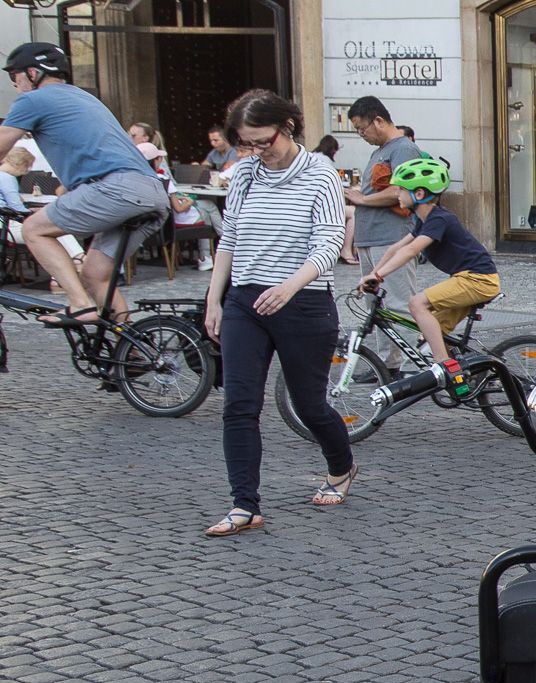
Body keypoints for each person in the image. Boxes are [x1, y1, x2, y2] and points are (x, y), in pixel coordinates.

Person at [201, 89, 353, 537]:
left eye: (262, 141)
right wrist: (214, 298)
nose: (255, 151)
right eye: (246, 143)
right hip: (244, 302)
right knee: (239, 405)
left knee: (309, 405)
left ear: (286, 127)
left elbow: (328, 244)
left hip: (302, 301)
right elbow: (229, 238)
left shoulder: (320, 173)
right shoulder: (245, 171)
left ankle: (342, 467)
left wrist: (288, 287)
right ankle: (244, 504)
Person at [0, 42, 169, 325]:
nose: (15, 84)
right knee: (94, 274)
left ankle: (79, 305)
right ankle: (130, 348)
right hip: (150, 190)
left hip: (114, 189)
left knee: (34, 229)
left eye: (13, 76)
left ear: (32, 73)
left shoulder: (33, 101)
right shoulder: (83, 96)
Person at [360, 157, 501, 366]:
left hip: (479, 280)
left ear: (419, 194)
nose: (396, 194)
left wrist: (379, 275)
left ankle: (443, 365)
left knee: (416, 303)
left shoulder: (439, 219)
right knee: (431, 330)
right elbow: (395, 248)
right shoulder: (423, 220)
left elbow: (411, 250)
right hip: (468, 279)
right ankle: (470, 372)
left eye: (400, 189)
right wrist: (372, 274)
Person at [344, 96, 422, 368]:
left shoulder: (402, 149)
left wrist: (361, 199)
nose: (361, 134)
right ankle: (385, 364)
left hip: (391, 237)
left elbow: (402, 191)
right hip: (371, 238)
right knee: (375, 305)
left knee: (399, 303)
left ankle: (412, 365)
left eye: (361, 128)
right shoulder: (380, 151)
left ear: (378, 120)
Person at [0, 145, 84, 263]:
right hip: (6, 226)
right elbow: (17, 208)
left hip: (4, 224)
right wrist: (35, 211)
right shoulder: (7, 178)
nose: (28, 171)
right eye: (28, 166)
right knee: (54, 231)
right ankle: (79, 259)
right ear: (21, 164)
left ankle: (73, 263)